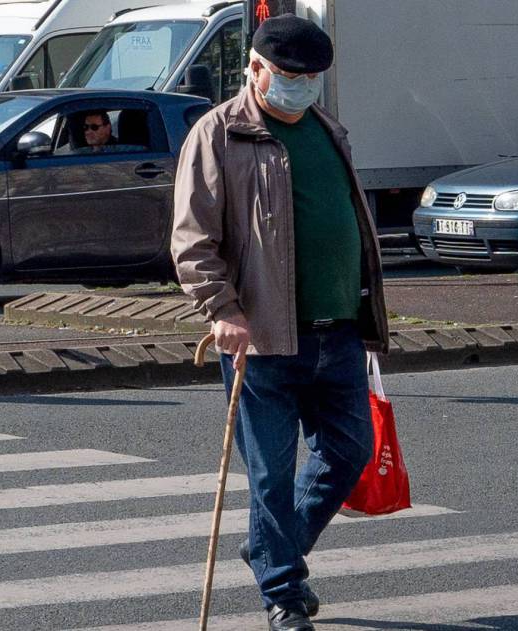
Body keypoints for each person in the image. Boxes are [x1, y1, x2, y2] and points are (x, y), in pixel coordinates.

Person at [171, 14, 389, 631]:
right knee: (271, 472)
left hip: (339, 329)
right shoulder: (219, 135)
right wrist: (223, 312)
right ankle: (285, 595)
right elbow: (192, 240)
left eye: (311, 77)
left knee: (349, 452)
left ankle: (271, 549)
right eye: (289, 75)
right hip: (261, 337)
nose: (300, 86)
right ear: (255, 68)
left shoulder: (328, 130)